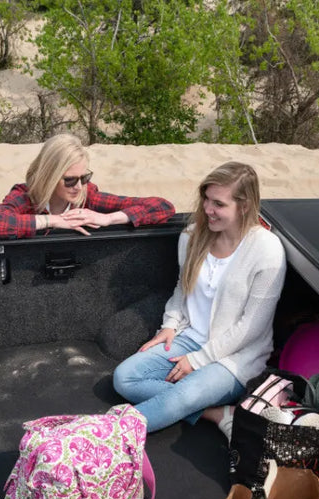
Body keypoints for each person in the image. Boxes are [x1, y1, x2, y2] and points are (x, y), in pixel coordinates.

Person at [112, 162, 285, 435]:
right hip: (189, 338)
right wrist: (170, 324)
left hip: (236, 357)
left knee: (184, 394)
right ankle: (217, 413)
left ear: (244, 206)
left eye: (219, 204)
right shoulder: (191, 236)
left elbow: (252, 327)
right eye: (206, 199)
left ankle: (107, 434)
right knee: (124, 377)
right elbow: (183, 288)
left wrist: (198, 361)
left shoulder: (267, 250)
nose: (207, 209)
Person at [0, 133, 176, 238]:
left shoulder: (88, 195)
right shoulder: (26, 196)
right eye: (69, 180)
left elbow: (162, 207)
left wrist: (108, 219)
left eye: (84, 177)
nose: (78, 186)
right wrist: (52, 221)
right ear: (49, 176)